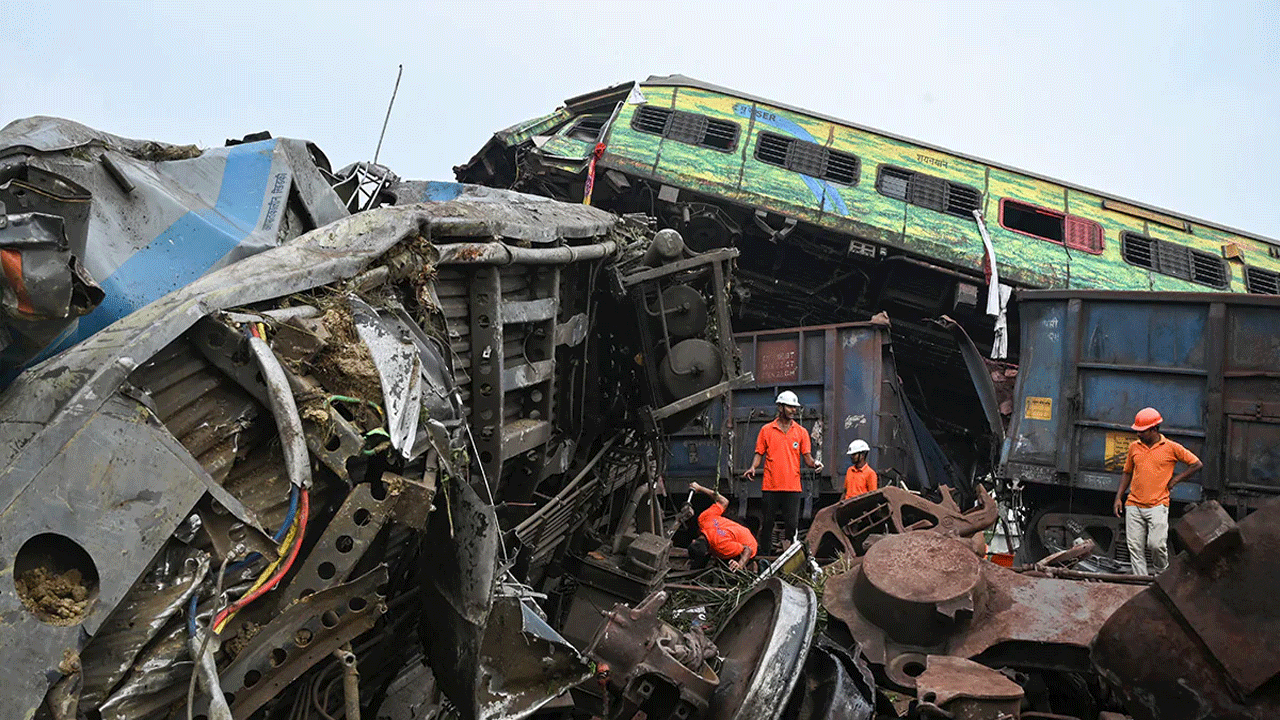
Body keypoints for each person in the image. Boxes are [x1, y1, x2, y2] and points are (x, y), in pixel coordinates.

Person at [1112, 407, 1203, 575]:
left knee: (1156, 545)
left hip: (1158, 505)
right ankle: (1141, 582)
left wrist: (1175, 480)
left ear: (1154, 429)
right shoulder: (1134, 447)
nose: (1138, 434)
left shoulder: (1171, 448)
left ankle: (1162, 575)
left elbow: (1196, 464)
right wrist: (1119, 498)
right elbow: (1127, 473)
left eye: (1142, 431)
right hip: (1133, 504)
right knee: (1135, 547)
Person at [742, 390, 822, 554]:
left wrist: (815, 464)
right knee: (767, 524)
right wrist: (753, 467)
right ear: (780, 407)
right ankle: (765, 557)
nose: (794, 410)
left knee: (791, 525)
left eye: (795, 407)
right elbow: (759, 453)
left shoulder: (801, 432)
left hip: (792, 487)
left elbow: (807, 458)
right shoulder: (766, 430)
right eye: (790, 407)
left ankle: (789, 557)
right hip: (771, 486)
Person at [687, 482, 758, 571]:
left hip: (749, 546)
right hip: (738, 532)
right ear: (693, 540)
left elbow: (748, 550)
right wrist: (699, 488)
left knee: (725, 566)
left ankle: (750, 566)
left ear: (708, 552)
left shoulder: (721, 547)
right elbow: (724, 501)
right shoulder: (703, 519)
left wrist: (739, 565)